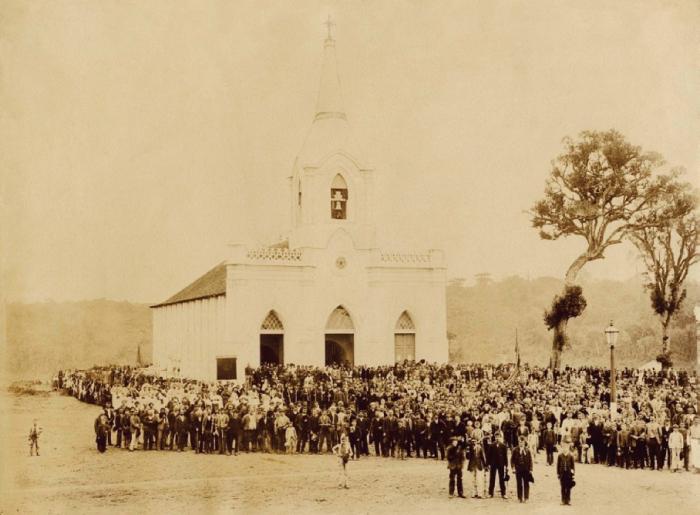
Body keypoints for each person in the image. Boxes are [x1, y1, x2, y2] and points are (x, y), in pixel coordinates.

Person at [511, 437, 533, 503]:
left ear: (524, 443)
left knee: (526, 483)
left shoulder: (527, 450)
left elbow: (530, 460)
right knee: (519, 484)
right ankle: (520, 497)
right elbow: (512, 460)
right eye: (520, 442)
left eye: (522, 442)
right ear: (518, 442)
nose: (521, 444)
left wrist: (531, 469)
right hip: (518, 469)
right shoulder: (515, 450)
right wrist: (513, 468)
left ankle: (526, 497)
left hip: (526, 469)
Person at [487, 433, 508, 499]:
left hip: (501, 464)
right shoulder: (491, 445)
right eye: (496, 437)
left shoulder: (503, 446)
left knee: (501, 479)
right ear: (494, 437)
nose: (497, 438)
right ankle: (490, 493)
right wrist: (488, 464)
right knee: (492, 479)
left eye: (498, 437)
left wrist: (506, 465)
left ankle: (503, 493)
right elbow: (488, 456)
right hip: (493, 464)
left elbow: (505, 456)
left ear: (500, 437)